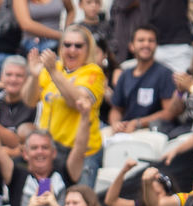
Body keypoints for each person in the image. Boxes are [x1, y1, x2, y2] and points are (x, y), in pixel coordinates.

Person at [28, 27, 105, 187]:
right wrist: (34, 76)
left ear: (88, 49)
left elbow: (79, 102)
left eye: (78, 46)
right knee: (48, 200)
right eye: (67, 45)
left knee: (78, 204)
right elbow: (29, 100)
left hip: (82, 153)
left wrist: (54, 72)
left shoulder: (93, 72)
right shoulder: (54, 68)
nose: (72, 50)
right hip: (52, 151)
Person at [108, 25, 183, 133]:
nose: (146, 44)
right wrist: (116, 123)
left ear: (156, 45)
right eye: (141, 40)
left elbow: (169, 113)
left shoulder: (165, 74)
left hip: (152, 131)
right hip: (126, 130)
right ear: (131, 46)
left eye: (151, 41)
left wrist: (138, 123)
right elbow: (116, 109)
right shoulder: (125, 74)